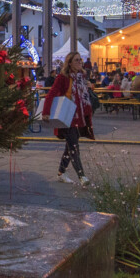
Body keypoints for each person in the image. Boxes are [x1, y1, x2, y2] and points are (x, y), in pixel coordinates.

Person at [41, 51, 94, 187]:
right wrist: (46, 112)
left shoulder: (82, 76)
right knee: (74, 147)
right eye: (76, 60)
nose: (79, 62)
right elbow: (51, 93)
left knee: (70, 146)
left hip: (80, 117)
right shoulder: (63, 77)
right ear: (69, 63)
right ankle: (82, 176)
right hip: (67, 116)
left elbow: (84, 96)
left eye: (80, 60)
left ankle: (61, 172)